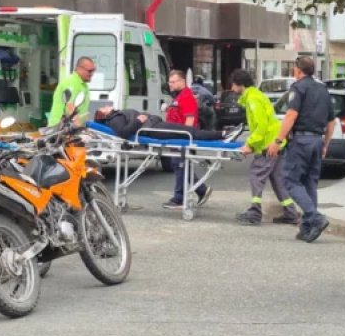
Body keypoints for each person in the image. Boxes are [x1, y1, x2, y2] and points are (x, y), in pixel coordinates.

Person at [266, 56, 335, 243]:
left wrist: (278, 140)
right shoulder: (322, 89)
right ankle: (307, 228)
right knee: (310, 184)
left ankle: (315, 217)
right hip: (317, 140)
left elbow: (290, 116)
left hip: (301, 141)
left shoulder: (298, 88)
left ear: (297, 70)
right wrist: (326, 144)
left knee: (291, 181)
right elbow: (331, 121)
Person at [229, 69, 300, 226]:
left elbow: (260, 127)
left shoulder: (253, 99)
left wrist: (249, 144)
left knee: (256, 176)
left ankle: (255, 211)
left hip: (268, 146)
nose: (232, 89)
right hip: (275, 144)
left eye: (233, 85)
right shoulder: (257, 96)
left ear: (240, 84)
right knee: (278, 180)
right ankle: (291, 213)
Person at [162, 70, 213, 210]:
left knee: (180, 166)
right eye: (169, 82)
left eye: (173, 82)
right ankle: (201, 190)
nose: (170, 84)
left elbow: (189, 120)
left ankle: (179, 198)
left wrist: (183, 139)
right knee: (181, 166)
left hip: (181, 138)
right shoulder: (179, 96)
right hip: (176, 137)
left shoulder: (186, 97)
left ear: (182, 82)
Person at [93, 105, 242, 141]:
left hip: (153, 125)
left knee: (189, 131)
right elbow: (124, 133)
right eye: (104, 107)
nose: (107, 105)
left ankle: (224, 134)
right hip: (151, 128)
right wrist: (139, 120)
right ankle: (223, 134)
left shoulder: (116, 116)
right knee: (189, 132)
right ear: (104, 115)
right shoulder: (114, 119)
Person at [48, 57, 94, 127]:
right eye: (90, 71)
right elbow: (70, 110)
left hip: (68, 128)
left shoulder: (82, 84)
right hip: (60, 129)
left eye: (93, 70)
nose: (92, 74)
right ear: (79, 69)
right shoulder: (71, 83)